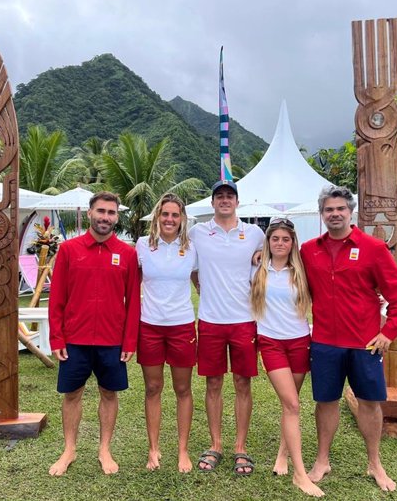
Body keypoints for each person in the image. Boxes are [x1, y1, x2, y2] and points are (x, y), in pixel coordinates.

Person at [300, 185, 397, 492]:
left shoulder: (373, 248)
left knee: (370, 403)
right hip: (323, 342)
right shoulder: (309, 250)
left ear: (351, 213)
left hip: (365, 344)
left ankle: (374, 463)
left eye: (340, 209)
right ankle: (322, 460)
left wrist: (389, 332)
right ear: (322, 214)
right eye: (328, 210)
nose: (334, 214)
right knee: (325, 401)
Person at [48, 191, 141, 477]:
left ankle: (104, 449)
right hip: (75, 339)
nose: (105, 217)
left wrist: (129, 341)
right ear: (90, 213)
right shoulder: (69, 250)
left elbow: (134, 300)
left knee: (109, 393)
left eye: (111, 213)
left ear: (117, 216)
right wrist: (56, 338)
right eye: (101, 211)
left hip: (112, 340)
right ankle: (69, 449)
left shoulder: (127, 253)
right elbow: (57, 298)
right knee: (72, 394)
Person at [189, 179, 265, 475]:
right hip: (210, 320)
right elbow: (193, 272)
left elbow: (269, 258)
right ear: (212, 202)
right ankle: (216, 444)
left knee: (243, 383)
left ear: (237, 201)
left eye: (229, 196)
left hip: (245, 321)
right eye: (219, 196)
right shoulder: (198, 232)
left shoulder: (254, 233)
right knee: (213, 383)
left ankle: (240, 447)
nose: (224, 200)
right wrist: (206, 290)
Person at [250, 218, 324, 498]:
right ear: (268, 242)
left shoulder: (302, 270)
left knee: (289, 403)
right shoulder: (257, 268)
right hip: (270, 343)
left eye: (286, 239)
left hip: (299, 342)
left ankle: (283, 453)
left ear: (293, 242)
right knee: (292, 404)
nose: (280, 243)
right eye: (275, 239)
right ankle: (300, 474)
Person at [136, 193, 197, 473]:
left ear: (182, 219)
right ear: (157, 217)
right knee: (152, 388)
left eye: (175, 215)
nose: (170, 219)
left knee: (183, 389)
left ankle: (182, 450)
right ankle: (153, 448)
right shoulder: (141, 247)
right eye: (165, 214)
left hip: (182, 325)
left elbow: (202, 282)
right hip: (149, 326)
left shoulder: (193, 249)